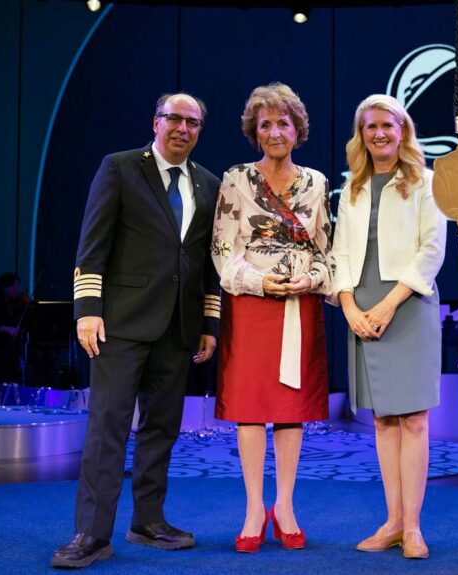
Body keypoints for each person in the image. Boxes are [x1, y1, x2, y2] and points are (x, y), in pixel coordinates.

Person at [51, 93, 221, 569]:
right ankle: (90, 533)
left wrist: (210, 323)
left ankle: (148, 521)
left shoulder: (208, 184)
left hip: (179, 328)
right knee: (107, 428)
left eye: (192, 122)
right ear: (156, 121)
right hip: (120, 325)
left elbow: (208, 262)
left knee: (161, 429)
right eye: (174, 119)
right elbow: (93, 243)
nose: (182, 128)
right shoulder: (120, 167)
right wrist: (87, 309)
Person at [211, 83, 334, 553]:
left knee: (289, 409)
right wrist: (261, 283)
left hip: (299, 306)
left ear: (297, 129)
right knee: (249, 408)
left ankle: (284, 506)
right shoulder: (236, 179)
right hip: (250, 305)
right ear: (254, 132)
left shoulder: (318, 183)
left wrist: (312, 280)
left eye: (283, 122)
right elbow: (223, 251)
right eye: (265, 124)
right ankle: (252, 509)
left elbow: (328, 250)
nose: (275, 131)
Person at [332, 94, 447, 559]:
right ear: (361, 135)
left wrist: (387, 305)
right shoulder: (353, 188)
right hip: (360, 308)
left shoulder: (426, 182)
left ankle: (414, 528)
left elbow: (432, 252)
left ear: (403, 130)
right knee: (382, 421)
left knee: (414, 420)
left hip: (408, 305)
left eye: (387, 125)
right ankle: (393, 523)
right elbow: (339, 254)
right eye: (370, 127)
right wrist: (349, 307)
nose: (379, 134)